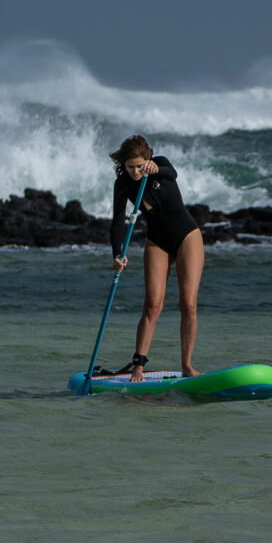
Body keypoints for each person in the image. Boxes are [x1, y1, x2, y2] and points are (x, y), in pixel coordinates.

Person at [110, 134, 204, 382]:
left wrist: (155, 168)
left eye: (140, 166)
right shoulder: (123, 184)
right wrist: (117, 253)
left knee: (188, 304)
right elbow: (118, 222)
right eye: (130, 167)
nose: (135, 171)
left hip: (187, 236)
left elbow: (171, 172)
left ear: (147, 159)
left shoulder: (160, 165)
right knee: (152, 304)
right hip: (157, 242)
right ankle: (138, 366)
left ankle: (187, 365)